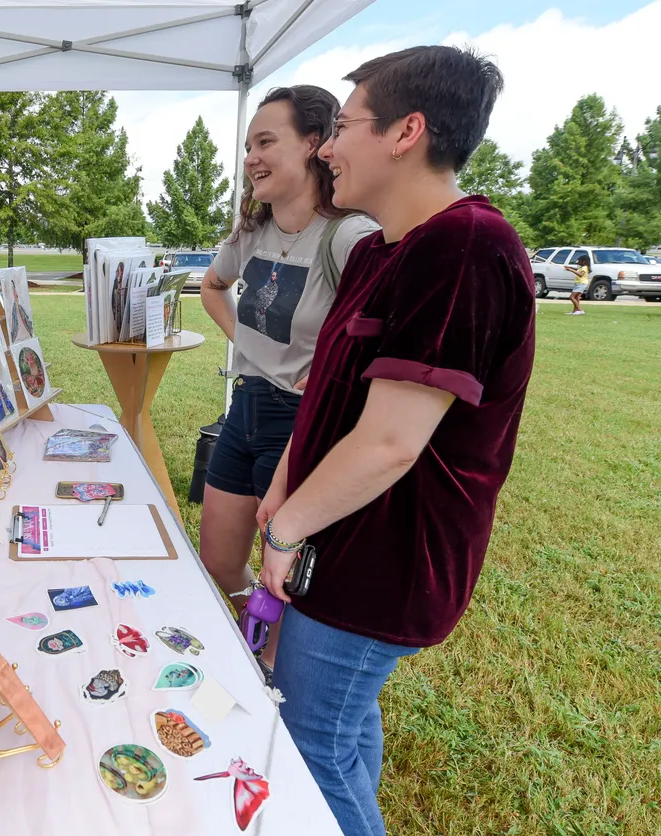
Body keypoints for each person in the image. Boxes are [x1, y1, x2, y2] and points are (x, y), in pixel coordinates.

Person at [256, 46, 535, 835]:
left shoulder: (467, 247)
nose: (326, 147)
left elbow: (389, 443)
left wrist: (285, 527)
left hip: (384, 560)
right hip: (332, 539)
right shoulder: (379, 250)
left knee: (314, 741)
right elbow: (328, 399)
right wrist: (282, 487)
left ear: (407, 131)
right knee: (342, 727)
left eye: (342, 126)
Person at [198, 85, 378, 670]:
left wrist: (324, 379)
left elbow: (377, 340)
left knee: (285, 575)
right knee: (220, 562)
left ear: (314, 146)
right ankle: (260, 640)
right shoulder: (251, 232)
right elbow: (211, 287)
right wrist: (248, 346)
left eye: (266, 141)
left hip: (301, 423)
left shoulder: (348, 238)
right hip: (245, 406)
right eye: (249, 144)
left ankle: (270, 674)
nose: (251, 156)